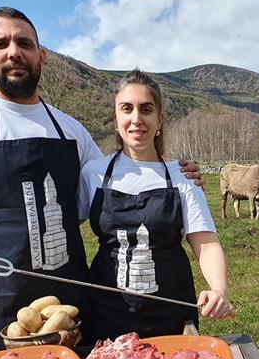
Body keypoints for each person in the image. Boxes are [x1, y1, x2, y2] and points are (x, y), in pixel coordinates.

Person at [0, 7, 202, 356]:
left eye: (24, 43)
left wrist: (175, 175)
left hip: (69, 303)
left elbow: (118, 183)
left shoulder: (70, 130)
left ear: (41, 56)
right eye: (1, 44)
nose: (13, 52)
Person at [77, 69, 232, 343]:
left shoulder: (182, 176)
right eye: (127, 109)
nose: (136, 119)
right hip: (104, 312)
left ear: (159, 119)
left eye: (146, 109)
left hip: (170, 312)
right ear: (116, 118)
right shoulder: (93, 173)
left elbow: (205, 242)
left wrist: (219, 289)